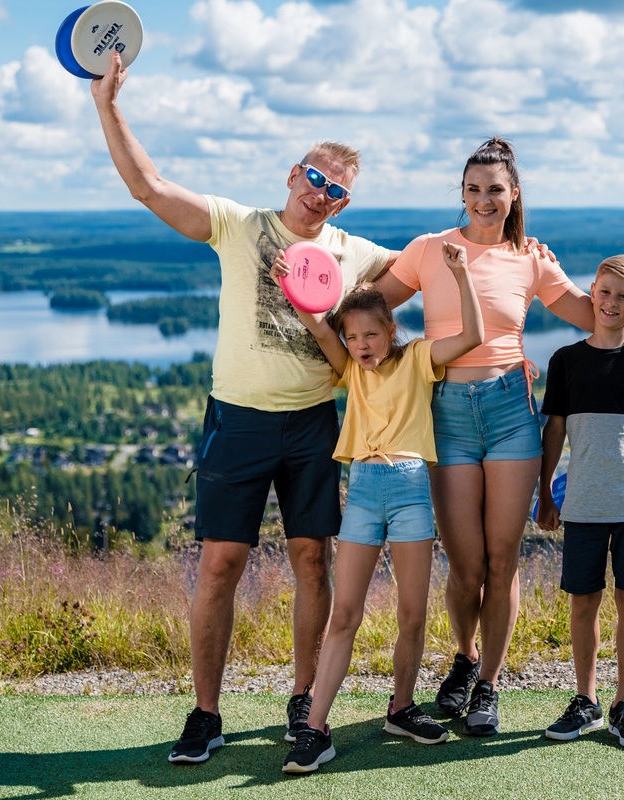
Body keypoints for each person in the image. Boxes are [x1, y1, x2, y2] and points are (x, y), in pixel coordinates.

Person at [89, 52, 395, 763]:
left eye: (337, 192)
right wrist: (108, 103)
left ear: (346, 205)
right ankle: (205, 713)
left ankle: (301, 701)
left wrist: (505, 238)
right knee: (222, 562)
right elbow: (148, 185)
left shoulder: (356, 255)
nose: (322, 195)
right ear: (293, 174)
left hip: (315, 422)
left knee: (311, 558)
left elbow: (435, 263)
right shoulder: (238, 224)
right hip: (238, 418)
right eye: (316, 179)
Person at [372, 137, 624, 737]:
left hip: (508, 410)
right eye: (472, 189)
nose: (483, 200)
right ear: (463, 193)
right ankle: (466, 656)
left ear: (514, 194)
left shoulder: (529, 258)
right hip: (445, 410)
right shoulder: (428, 251)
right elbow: (372, 309)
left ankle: (487, 687)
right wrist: (319, 303)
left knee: (502, 560)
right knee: (466, 565)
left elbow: (602, 316)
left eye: (495, 189)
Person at [275, 241, 484, 774]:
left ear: (391, 331)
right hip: (365, 492)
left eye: (371, 334)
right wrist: (295, 284)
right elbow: (318, 326)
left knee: (412, 614)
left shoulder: (417, 359)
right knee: (344, 613)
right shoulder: (352, 370)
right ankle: (316, 728)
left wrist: (460, 276)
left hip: (413, 488)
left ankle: (402, 707)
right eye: (353, 337)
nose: (361, 344)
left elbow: (473, 337)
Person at [535, 254, 624, 750]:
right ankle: (587, 700)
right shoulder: (566, 361)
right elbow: (553, 431)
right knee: (583, 603)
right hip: (584, 502)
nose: (612, 303)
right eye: (606, 291)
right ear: (592, 290)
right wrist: (545, 490)